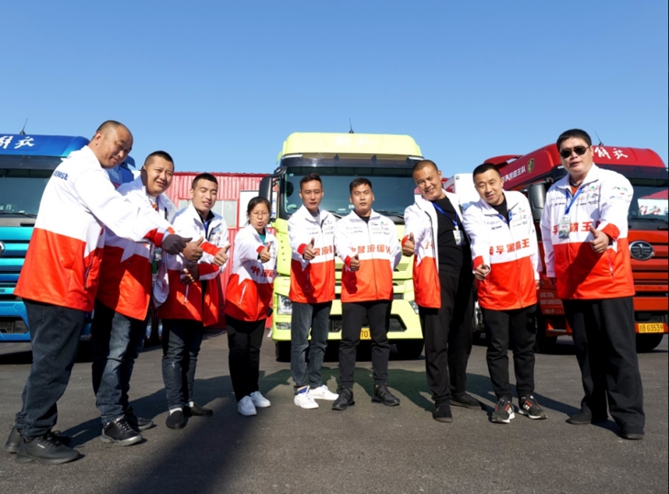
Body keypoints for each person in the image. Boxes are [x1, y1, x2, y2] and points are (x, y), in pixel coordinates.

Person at [5, 121, 189, 465]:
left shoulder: (78, 168)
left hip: (57, 277)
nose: (120, 154)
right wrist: (161, 237)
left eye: (126, 151)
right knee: (54, 363)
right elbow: (117, 213)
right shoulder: (87, 172)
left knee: (47, 360)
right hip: (61, 278)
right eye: (118, 146)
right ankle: (34, 435)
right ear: (98, 137)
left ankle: (24, 429)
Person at [540, 129, 645, 440]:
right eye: (566, 152)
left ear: (591, 151)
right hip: (572, 283)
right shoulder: (555, 191)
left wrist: (607, 233)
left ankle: (629, 416)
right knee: (586, 350)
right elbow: (548, 233)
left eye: (579, 149)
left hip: (607, 281)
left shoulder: (612, 181)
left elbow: (615, 211)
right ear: (561, 158)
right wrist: (551, 271)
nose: (573, 156)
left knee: (618, 350)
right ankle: (594, 406)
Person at [92, 150, 193, 445]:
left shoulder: (164, 205)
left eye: (169, 173)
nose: (163, 177)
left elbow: (172, 235)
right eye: (158, 170)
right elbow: (141, 230)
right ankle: (111, 417)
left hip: (142, 288)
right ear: (144, 170)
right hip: (118, 286)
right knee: (114, 353)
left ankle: (121, 409)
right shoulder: (126, 195)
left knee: (130, 353)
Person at [462, 163, 546, 424]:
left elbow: (531, 238)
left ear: (501, 181)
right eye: (481, 185)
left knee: (525, 347)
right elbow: (478, 240)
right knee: (497, 348)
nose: (488, 189)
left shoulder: (520, 200)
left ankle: (527, 397)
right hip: (494, 289)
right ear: (476, 188)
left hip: (525, 287)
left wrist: (536, 273)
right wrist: (480, 264)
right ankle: (503, 400)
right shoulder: (472, 212)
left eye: (491, 182)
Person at [403, 160, 479, 423]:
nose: (427, 185)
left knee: (462, 338)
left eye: (429, 178)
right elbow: (414, 228)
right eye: (420, 182)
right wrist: (409, 240)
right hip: (436, 278)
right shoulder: (416, 209)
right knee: (436, 342)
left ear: (439, 175)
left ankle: (458, 391)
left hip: (465, 277)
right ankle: (441, 399)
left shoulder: (461, 203)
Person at [155, 173, 230, 429]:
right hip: (180, 290)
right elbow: (195, 252)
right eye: (203, 190)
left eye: (213, 191)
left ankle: (187, 400)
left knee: (192, 352)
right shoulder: (181, 219)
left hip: (203, 291)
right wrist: (207, 259)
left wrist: (202, 269)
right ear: (191, 192)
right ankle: (175, 406)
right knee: (175, 351)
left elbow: (221, 261)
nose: (208, 196)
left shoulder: (220, 222)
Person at [331, 178, 402, 411]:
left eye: (366, 192)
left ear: (373, 196)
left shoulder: (386, 223)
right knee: (349, 342)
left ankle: (381, 388)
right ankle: (346, 390)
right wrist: (350, 261)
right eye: (357, 193)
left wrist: (383, 274)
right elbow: (341, 248)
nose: (362, 197)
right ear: (350, 199)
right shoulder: (343, 224)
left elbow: (395, 254)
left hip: (382, 292)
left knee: (381, 341)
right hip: (355, 291)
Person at [288, 173, 339, 409]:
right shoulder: (296, 220)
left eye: (316, 192)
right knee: (300, 344)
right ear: (300, 194)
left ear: (322, 193)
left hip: (325, 290)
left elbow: (340, 245)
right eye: (307, 192)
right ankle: (301, 388)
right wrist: (304, 250)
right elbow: (296, 241)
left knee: (320, 342)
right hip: (304, 292)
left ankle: (317, 384)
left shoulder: (330, 218)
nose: (312, 196)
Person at [224, 197, 276, 416]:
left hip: (260, 303)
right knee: (239, 350)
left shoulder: (273, 239)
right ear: (249, 215)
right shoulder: (244, 235)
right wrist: (260, 251)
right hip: (240, 303)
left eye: (264, 213)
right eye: (256, 213)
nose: (260, 217)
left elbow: (273, 270)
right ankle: (242, 396)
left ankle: (253, 390)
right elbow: (248, 248)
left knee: (254, 350)